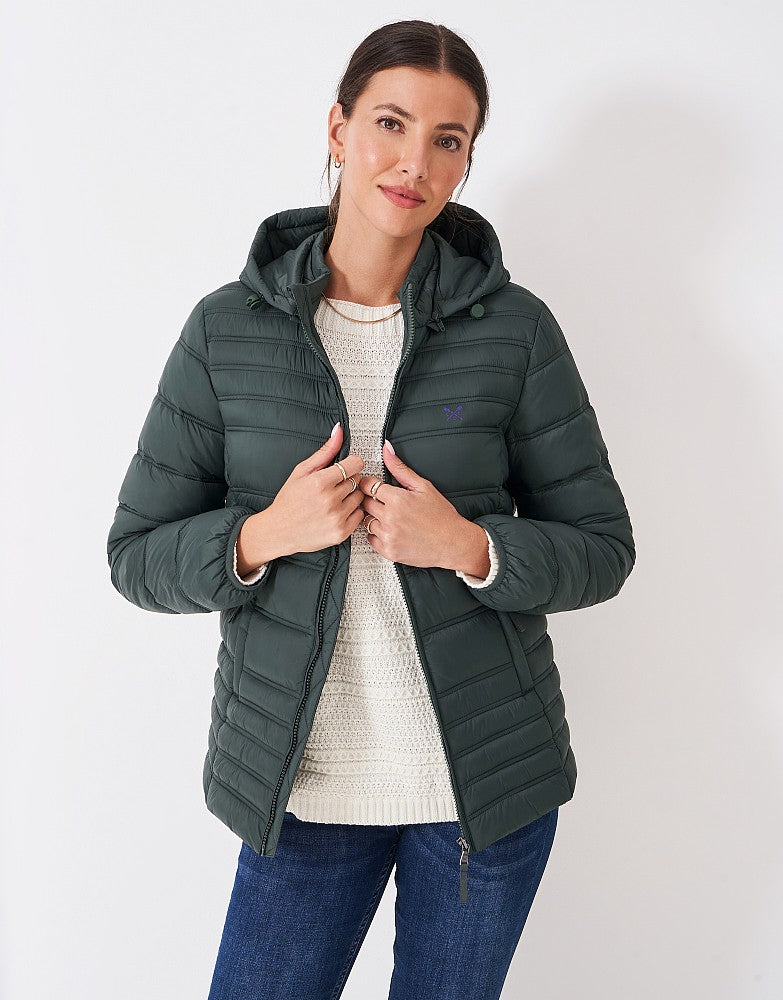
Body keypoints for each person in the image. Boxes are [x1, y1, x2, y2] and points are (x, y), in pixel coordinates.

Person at [106, 19, 635, 1000]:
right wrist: (264, 535)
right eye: (391, 122)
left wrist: (472, 548)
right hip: (302, 787)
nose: (414, 161)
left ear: (467, 161)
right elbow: (136, 554)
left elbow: (602, 547)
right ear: (339, 128)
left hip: (481, 795)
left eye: (448, 139)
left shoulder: (516, 330)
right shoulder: (227, 330)